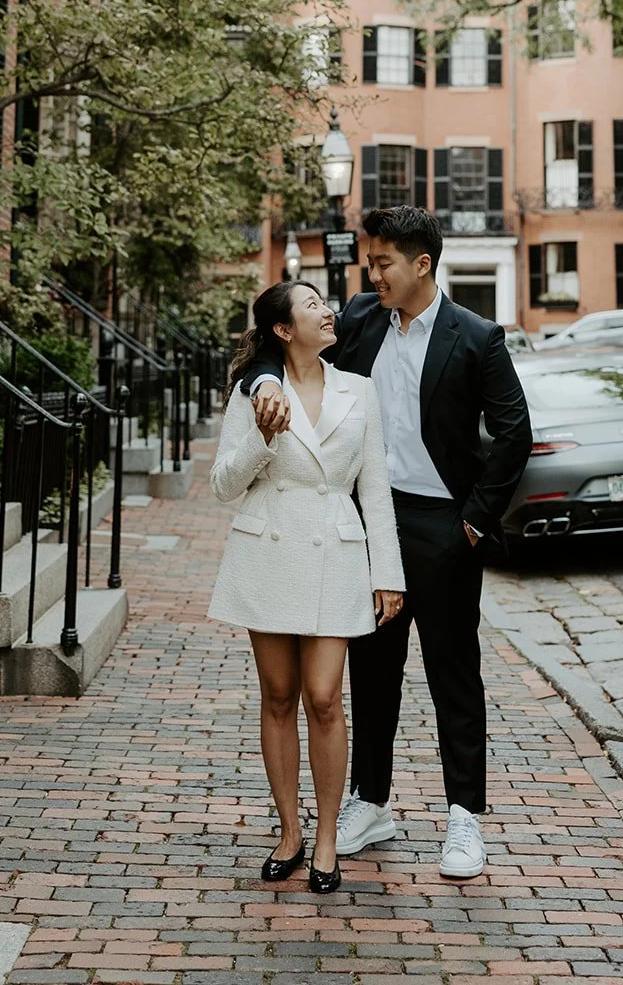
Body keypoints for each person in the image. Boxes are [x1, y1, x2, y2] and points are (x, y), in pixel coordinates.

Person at [244, 206, 532, 879]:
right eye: (370, 262)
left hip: (445, 526)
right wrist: (264, 382)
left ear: (421, 265)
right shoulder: (361, 321)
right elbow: (272, 346)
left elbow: (514, 432)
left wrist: (473, 521)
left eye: (382, 263)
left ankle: (464, 817)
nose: (372, 274)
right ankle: (370, 802)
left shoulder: (476, 337)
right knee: (372, 672)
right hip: (369, 522)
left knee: (452, 671)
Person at [209, 279, 405, 894]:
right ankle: (290, 832)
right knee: (277, 696)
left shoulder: (359, 390)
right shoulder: (255, 392)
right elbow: (223, 484)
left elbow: (375, 489)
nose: (327, 310)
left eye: (324, 301)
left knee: (323, 698)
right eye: (312, 304)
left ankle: (326, 839)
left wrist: (388, 574)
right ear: (283, 329)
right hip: (269, 552)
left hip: (335, 555)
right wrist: (262, 438)